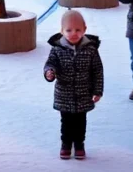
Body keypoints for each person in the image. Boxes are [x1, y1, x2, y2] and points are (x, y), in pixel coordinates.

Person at [44, 9, 104, 160]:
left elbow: (97, 70)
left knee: (80, 121)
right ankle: (66, 144)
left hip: (84, 93)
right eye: (69, 30)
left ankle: (79, 144)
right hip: (64, 93)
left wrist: (97, 90)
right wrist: (49, 72)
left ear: (85, 29)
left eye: (78, 29)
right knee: (66, 121)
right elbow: (50, 63)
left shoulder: (90, 49)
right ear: (62, 31)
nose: (73, 33)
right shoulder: (57, 48)